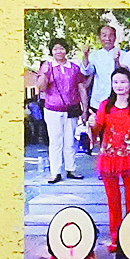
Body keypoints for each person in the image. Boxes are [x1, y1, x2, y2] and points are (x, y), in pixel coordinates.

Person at [82, 67, 130, 255]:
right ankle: (116, 237)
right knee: (113, 201)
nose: (119, 85)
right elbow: (97, 130)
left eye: (123, 82)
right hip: (109, 158)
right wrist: (92, 125)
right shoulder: (105, 106)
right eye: (116, 82)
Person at [35, 40, 85, 183]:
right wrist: (44, 74)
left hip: (71, 108)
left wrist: (85, 109)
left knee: (70, 140)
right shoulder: (48, 67)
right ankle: (55, 172)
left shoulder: (74, 68)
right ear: (51, 51)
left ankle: (71, 169)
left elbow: (81, 88)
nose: (59, 51)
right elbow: (40, 88)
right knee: (55, 141)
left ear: (66, 50)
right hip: (52, 109)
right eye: (55, 49)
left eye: (61, 48)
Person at [82, 23, 125, 113]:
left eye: (110, 35)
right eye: (104, 35)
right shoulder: (94, 55)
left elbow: (125, 74)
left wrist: (117, 61)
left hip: (119, 99)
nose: (107, 39)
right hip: (99, 99)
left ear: (115, 37)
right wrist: (85, 56)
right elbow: (87, 72)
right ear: (100, 38)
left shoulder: (123, 54)